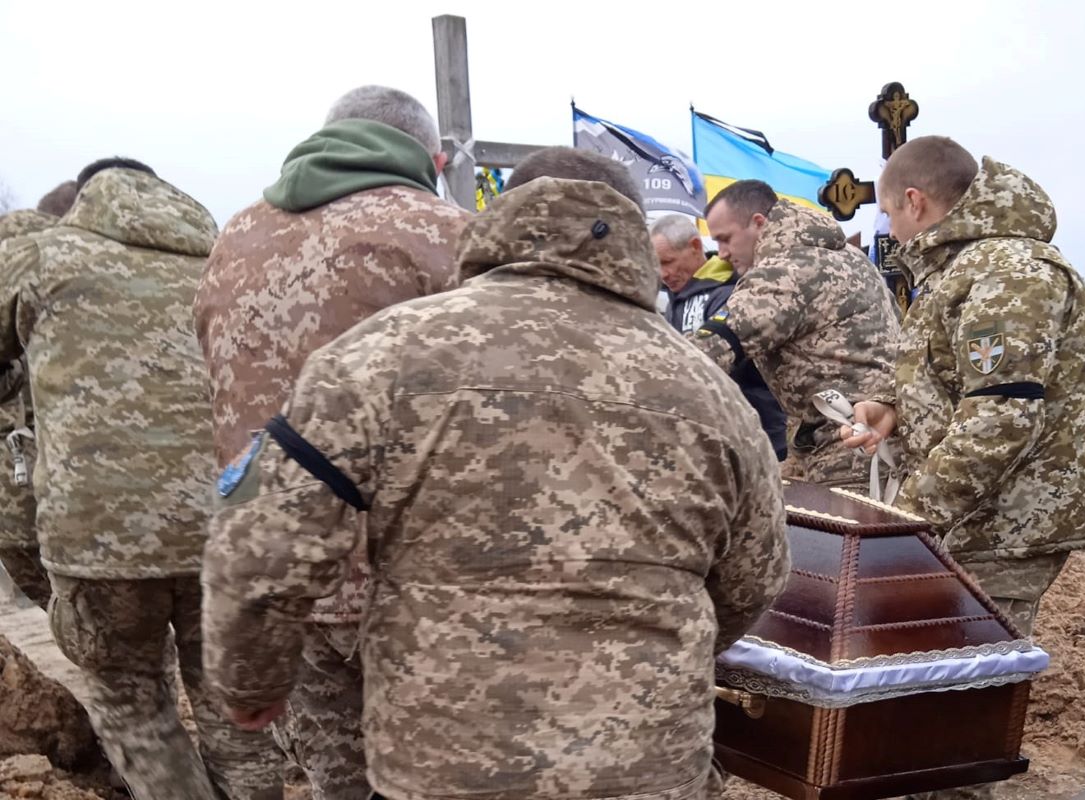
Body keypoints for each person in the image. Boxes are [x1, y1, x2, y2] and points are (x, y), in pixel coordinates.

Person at [202, 147, 790, 800]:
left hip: (445, 762)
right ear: (632, 229)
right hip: (644, 764)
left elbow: (265, 544)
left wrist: (249, 681)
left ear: (503, 216)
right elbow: (753, 579)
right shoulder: (711, 394)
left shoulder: (374, 358)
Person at [194, 84, 468, 800]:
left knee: (338, 781)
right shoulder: (449, 234)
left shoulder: (235, 238)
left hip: (280, 570)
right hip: (417, 584)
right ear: (434, 159)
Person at [840, 136, 1085, 799]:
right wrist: (890, 408)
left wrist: (905, 519)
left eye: (888, 211)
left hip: (1010, 518)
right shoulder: (966, 268)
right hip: (979, 511)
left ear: (914, 201)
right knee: (939, 688)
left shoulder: (1010, 273)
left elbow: (1002, 419)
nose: (888, 226)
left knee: (963, 707)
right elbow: (958, 377)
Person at [0, 158, 284, 800]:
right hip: (228, 519)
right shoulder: (226, 259)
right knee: (232, 704)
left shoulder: (46, 256)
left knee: (130, 699)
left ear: (89, 198)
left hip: (102, 536)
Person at [691, 179, 900, 487]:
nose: (721, 254)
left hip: (846, 448)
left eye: (725, 239)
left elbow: (707, 351)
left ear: (758, 223)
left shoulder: (783, 271)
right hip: (876, 436)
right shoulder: (851, 256)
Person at [650, 213, 788, 459]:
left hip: (758, 437)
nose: (663, 273)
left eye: (668, 261)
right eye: (656, 265)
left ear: (695, 246)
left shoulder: (730, 291)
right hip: (714, 441)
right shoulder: (674, 299)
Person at [0, 180, 76, 608]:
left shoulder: (17, 259)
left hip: (18, 481)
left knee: (60, 604)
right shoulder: (60, 266)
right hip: (49, 470)